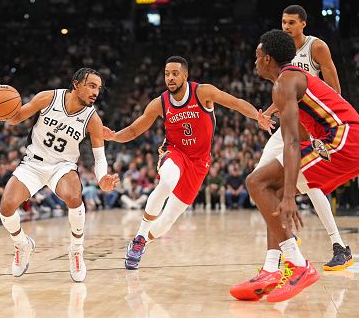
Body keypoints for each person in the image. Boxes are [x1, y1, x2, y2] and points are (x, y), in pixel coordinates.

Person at [231, 29, 359, 303]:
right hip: (345, 143)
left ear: (268, 59)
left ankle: (298, 265)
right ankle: (272, 268)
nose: (254, 61)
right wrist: (283, 191)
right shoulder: (290, 81)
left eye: (257, 56)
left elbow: (293, 142)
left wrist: (288, 195)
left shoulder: (285, 82)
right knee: (264, 186)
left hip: (346, 141)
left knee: (256, 182)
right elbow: (297, 136)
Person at [103, 56, 273, 269]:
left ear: (185, 75)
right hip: (174, 152)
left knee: (166, 221)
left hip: (199, 162)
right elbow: (135, 129)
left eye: (175, 73)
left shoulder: (203, 92)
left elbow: (235, 103)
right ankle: (139, 236)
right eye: (167, 74)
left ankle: (142, 242)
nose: (170, 78)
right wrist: (113, 136)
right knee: (167, 181)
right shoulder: (160, 103)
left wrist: (257, 116)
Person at [0, 68, 119, 282]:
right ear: (76, 84)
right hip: (33, 163)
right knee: (6, 207)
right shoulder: (48, 98)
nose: (95, 92)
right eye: (91, 86)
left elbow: (100, 158)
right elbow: (16, 118)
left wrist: (102, 179)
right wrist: (4, 111)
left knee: (74, 197)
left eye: (98, 88)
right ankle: (22, 244)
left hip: (62, 166)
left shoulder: (93, 119)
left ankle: (76, 250)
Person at [258, 5, 353, 272]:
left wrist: (326, 126)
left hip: (314, 124)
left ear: (303, 24)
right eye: (283, 22)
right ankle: (285, 246)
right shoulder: (281, 54)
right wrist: (266, 113)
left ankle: (339, 246)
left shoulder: (316, 47)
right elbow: (285, 95)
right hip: (290, 124)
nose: (286, 27)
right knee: (260, 177)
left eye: (291, 22)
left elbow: (334, 90)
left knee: (312, 186)